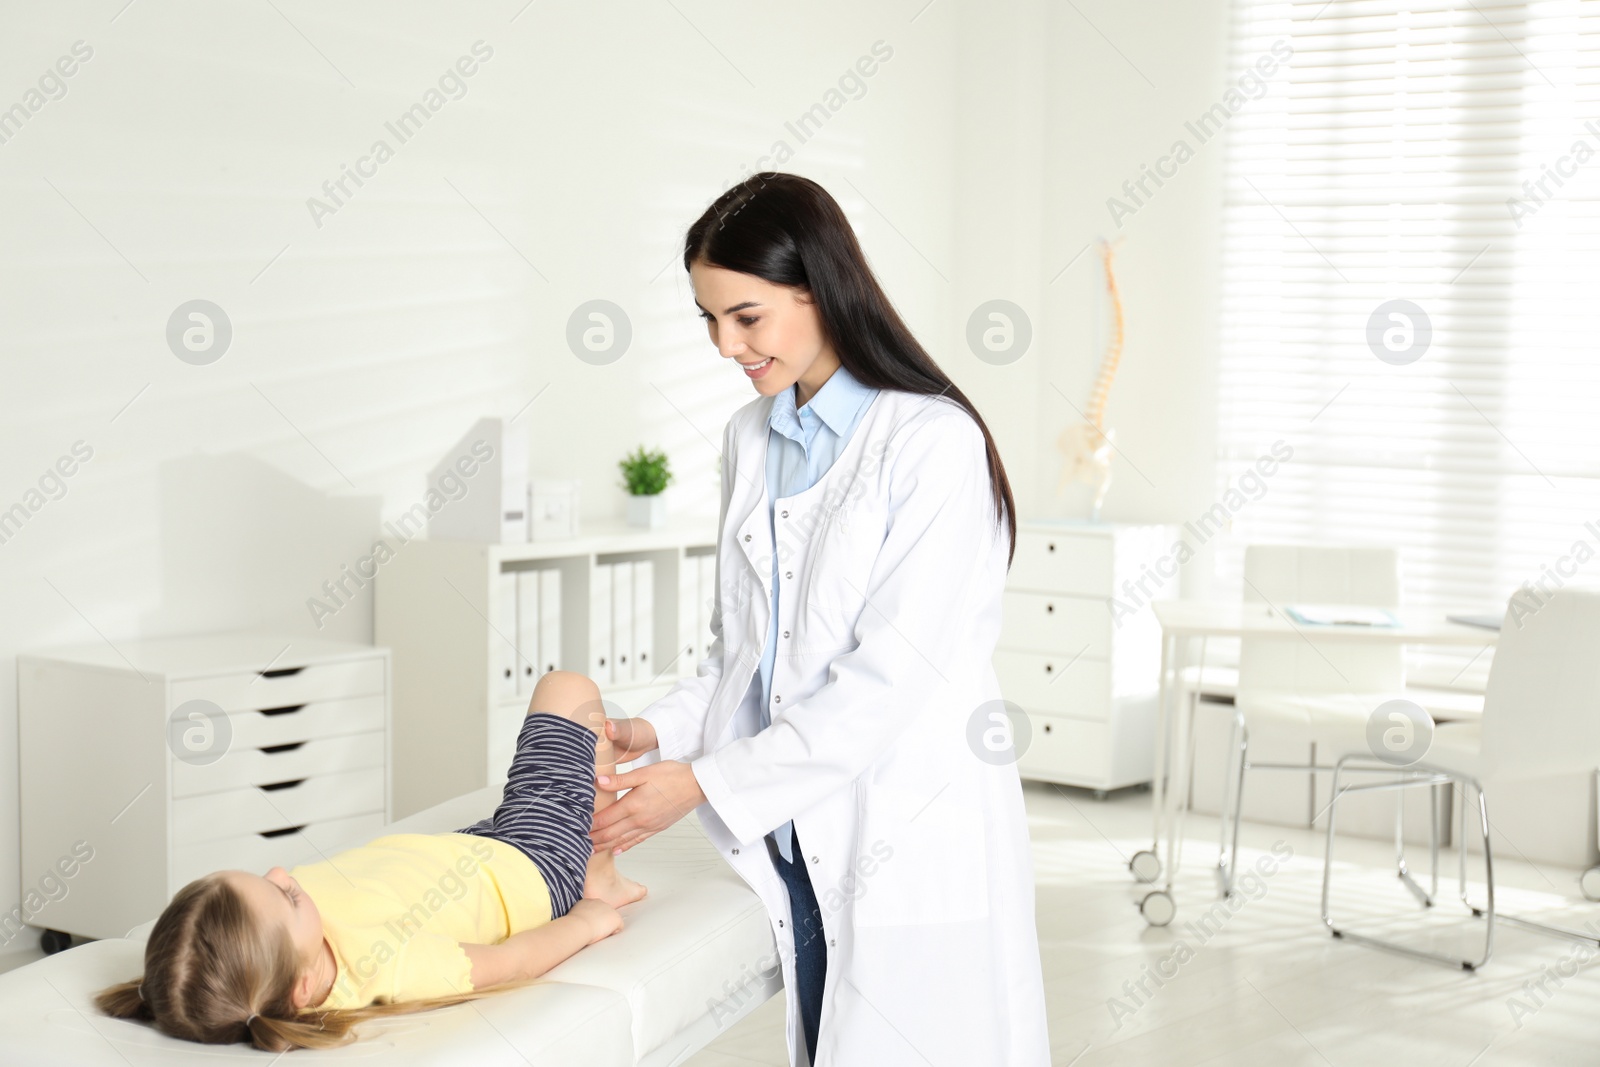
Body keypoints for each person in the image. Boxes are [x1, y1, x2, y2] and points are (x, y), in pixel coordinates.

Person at [591, 172, 1051, 1065]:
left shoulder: (930, 443)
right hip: (798, 831)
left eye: (747, 316)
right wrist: (657, 728)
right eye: (709, 319)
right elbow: (748, 658)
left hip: (903, 823)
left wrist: (702, 784)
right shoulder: (751, 438)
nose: (726, 345)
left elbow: (883, 687)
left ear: (820, 286)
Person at [95, 671, 643, 1052]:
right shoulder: (387, 965)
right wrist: (584, 922)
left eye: (266, 878)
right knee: (569, 692)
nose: (283, 875)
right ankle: (599, 875)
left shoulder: (270, 954)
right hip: (533, 867)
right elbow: (513, 963)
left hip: (469, 851)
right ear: (304, 986)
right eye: (286, 897)